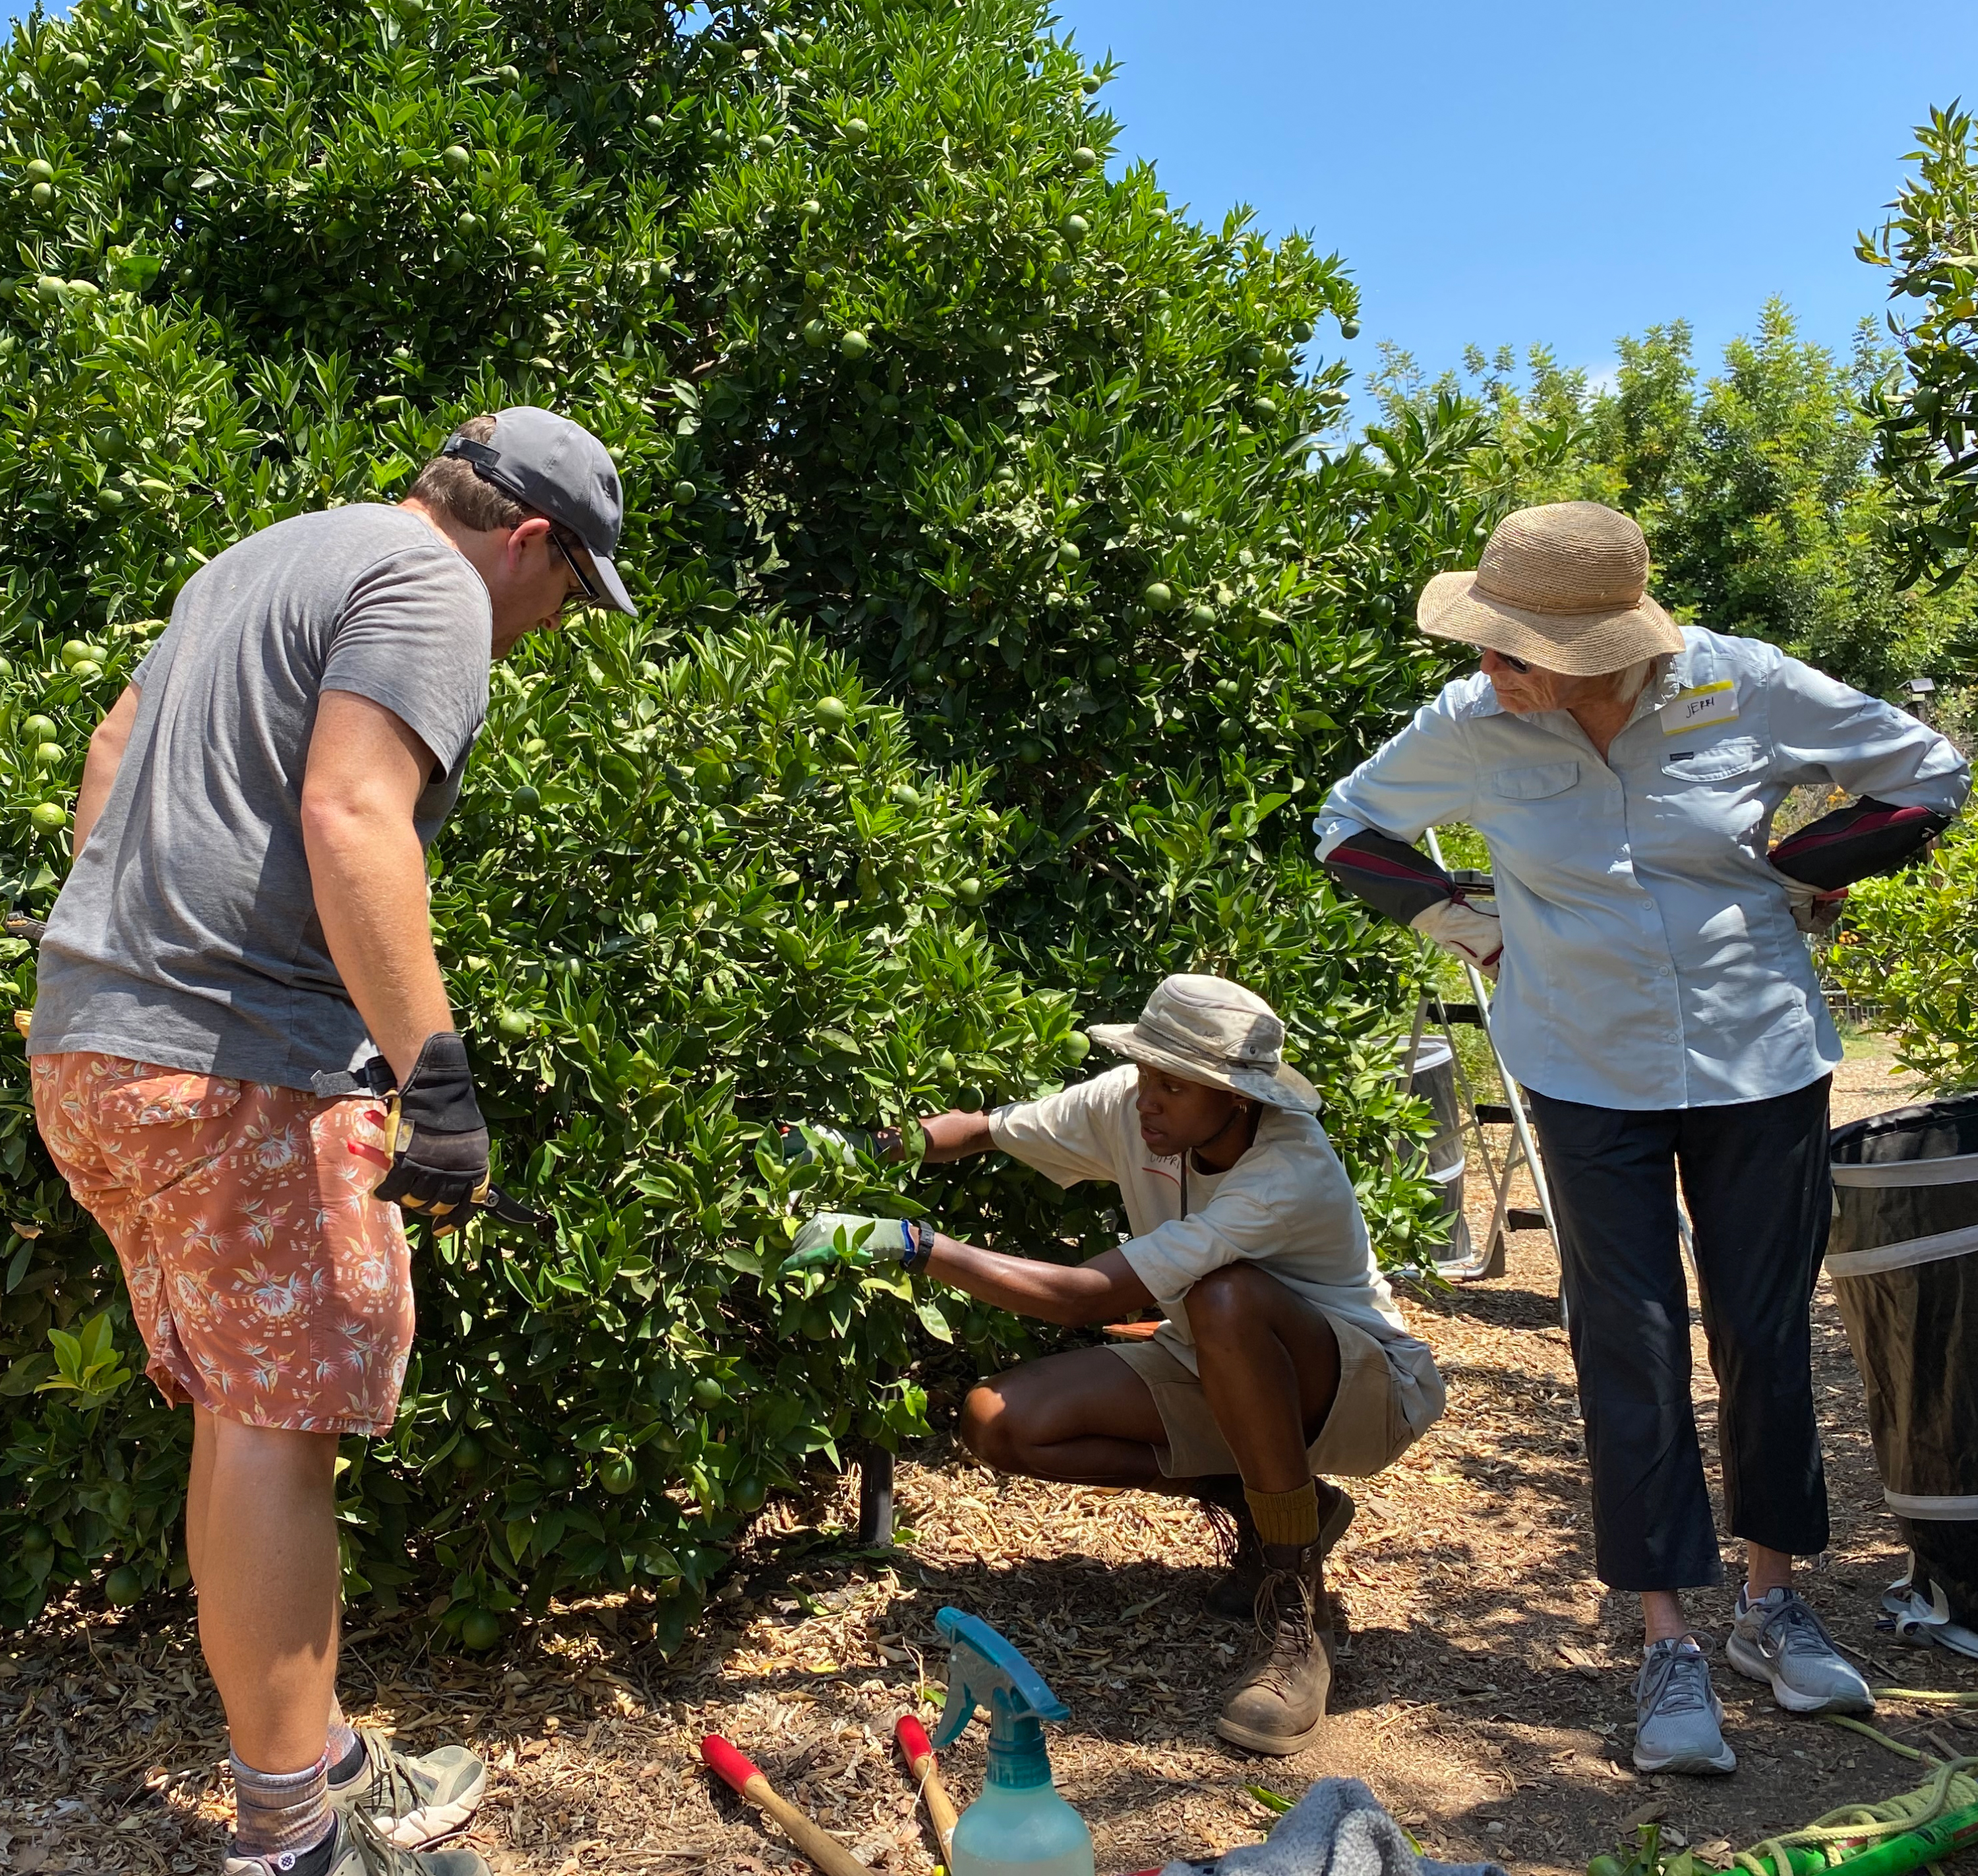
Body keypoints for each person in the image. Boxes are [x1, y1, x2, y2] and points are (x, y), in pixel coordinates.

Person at [26, 409, 637, 1876]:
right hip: (241, 1072)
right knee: (277, 1435)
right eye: (569, 593)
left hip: (97, 1048)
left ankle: (323, 1755)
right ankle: (292, 1837)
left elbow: (111, 758)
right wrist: (437, 1080)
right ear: (532, 539)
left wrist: (122, 956)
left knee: (244, 1423)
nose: (557, 624)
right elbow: (355, 813)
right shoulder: (436, 590)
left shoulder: (264, 559)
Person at [1317, 499, 1969, 1776]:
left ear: (1606, 648)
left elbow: (1927, 775)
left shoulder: (1747, 687)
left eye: (1515, 652)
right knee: (1633, 1342)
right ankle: (1670, 1638)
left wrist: (1802, 867)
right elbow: (1347, 828)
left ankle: (1772, 1610)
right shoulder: (1474, 724)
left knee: (1765, 1336)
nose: (1488, 671)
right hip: (1583, 1063)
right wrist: (1477, 932)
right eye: (1488, 645)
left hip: (1762, 1059)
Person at [788, 974, 1445, 1757]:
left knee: (1225, 1298)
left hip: (1365, 1387)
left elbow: (1082, 1298)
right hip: (1218, 1363)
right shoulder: (1138, 1107)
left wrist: (914, 1246)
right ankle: (1276, 1509)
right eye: (1145, 1074)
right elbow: (984, 1129)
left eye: (1175, 1085)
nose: (1148, 1102)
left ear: (1237, 1097)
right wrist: (870, 1148)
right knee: (1000, 1421)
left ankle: (1293, 1613)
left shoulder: (1285, 1171)